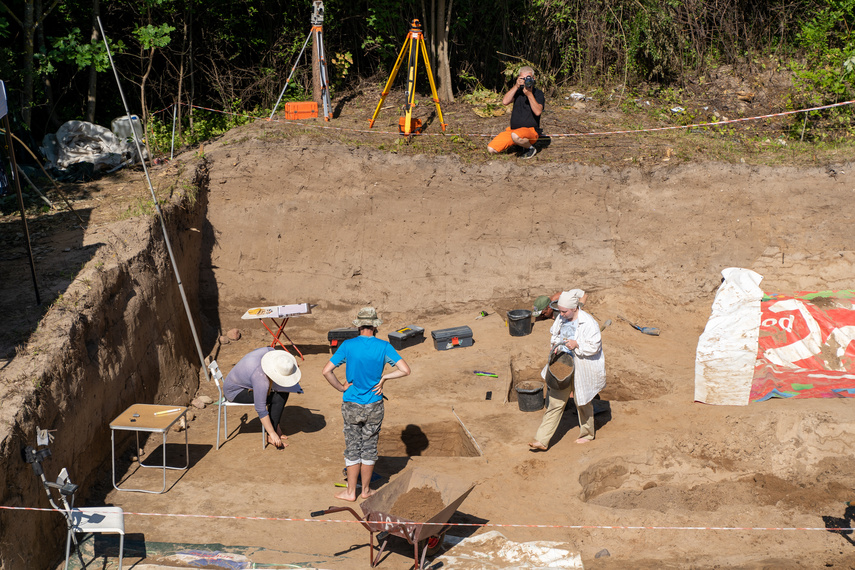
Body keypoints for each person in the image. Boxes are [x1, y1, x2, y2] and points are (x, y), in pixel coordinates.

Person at [322, 307, 411, 501]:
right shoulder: (384, 346)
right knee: (369, 447)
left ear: (358, 325)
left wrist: (341, 388)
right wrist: (385, 378)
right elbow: (405, 370)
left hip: (352, 403)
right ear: (375, 326)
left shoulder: (347, 345)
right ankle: (366, 491)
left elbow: (326, 371)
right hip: (374, 404)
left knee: (353, 447)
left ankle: (350, 492)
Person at [529, 290, 605, 450]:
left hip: (582, 367)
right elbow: (555, 335)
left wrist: (577, 344)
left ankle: (587, 434)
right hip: (563, 365)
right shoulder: (561, 319)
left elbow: (595, 347)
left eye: (564, 311)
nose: (561, 314)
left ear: (574, 308)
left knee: (582, 402)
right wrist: (556, 347)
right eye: (560, 311)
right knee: (555, 402)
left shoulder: (589, 323)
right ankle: (541, 440)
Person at [223, 347, 303, 449]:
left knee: (283, 392)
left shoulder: (271, 352)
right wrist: (272, 433)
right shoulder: (261, 378)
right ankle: (271, 435)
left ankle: (275, 426)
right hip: (235, 392)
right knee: (278, 397)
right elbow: (260, 408)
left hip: (239, 381)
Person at [487, 66, 545, 159]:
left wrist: (529, 94)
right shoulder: (517, 92)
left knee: (516, 135)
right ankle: (519, 144)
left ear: (533, 79)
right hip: (513, 131)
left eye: (528, 78)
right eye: (523, 78)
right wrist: (516, 86)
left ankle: (530, 148)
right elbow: (505, 102)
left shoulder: (537, 93)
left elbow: (538, 112)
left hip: (531, 131)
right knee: (491, 149)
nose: (526, 80)